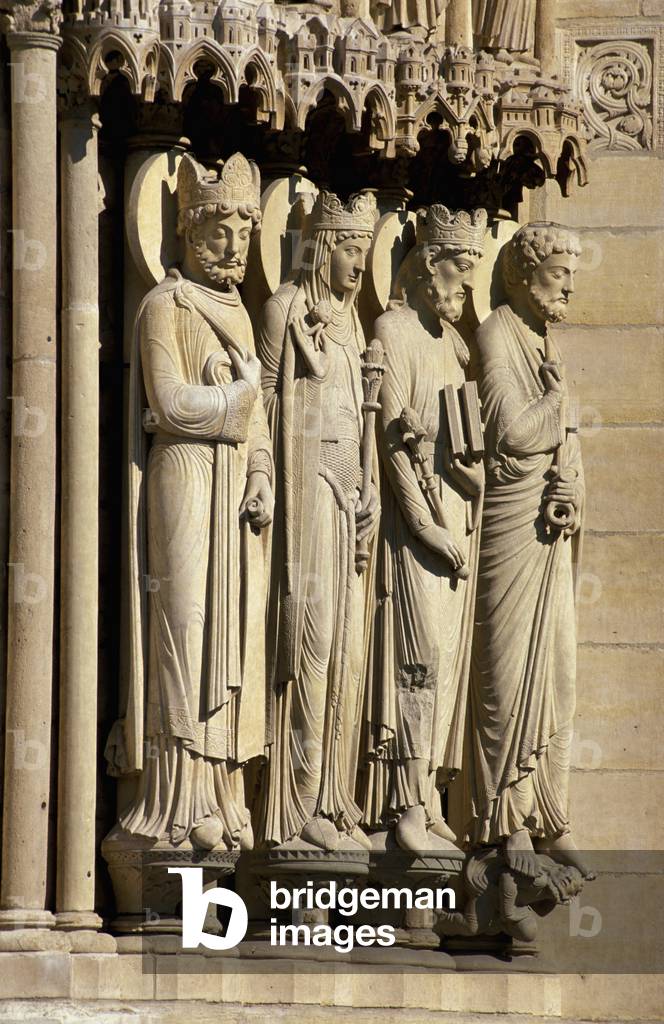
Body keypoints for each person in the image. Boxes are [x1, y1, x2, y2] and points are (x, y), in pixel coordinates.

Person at [106, 153, 274, 852]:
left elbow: (260, 421)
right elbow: (171, 403)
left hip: (232, 485)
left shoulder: (240, 309)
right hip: (181, 479)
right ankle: (172, 805)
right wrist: (237, 397)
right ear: (184, 231)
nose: (233, 249)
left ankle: (223, 797)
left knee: (228, 642)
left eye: (244, 234)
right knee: (184, 630)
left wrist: (262, 471)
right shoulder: (163, 306)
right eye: (218, 233)